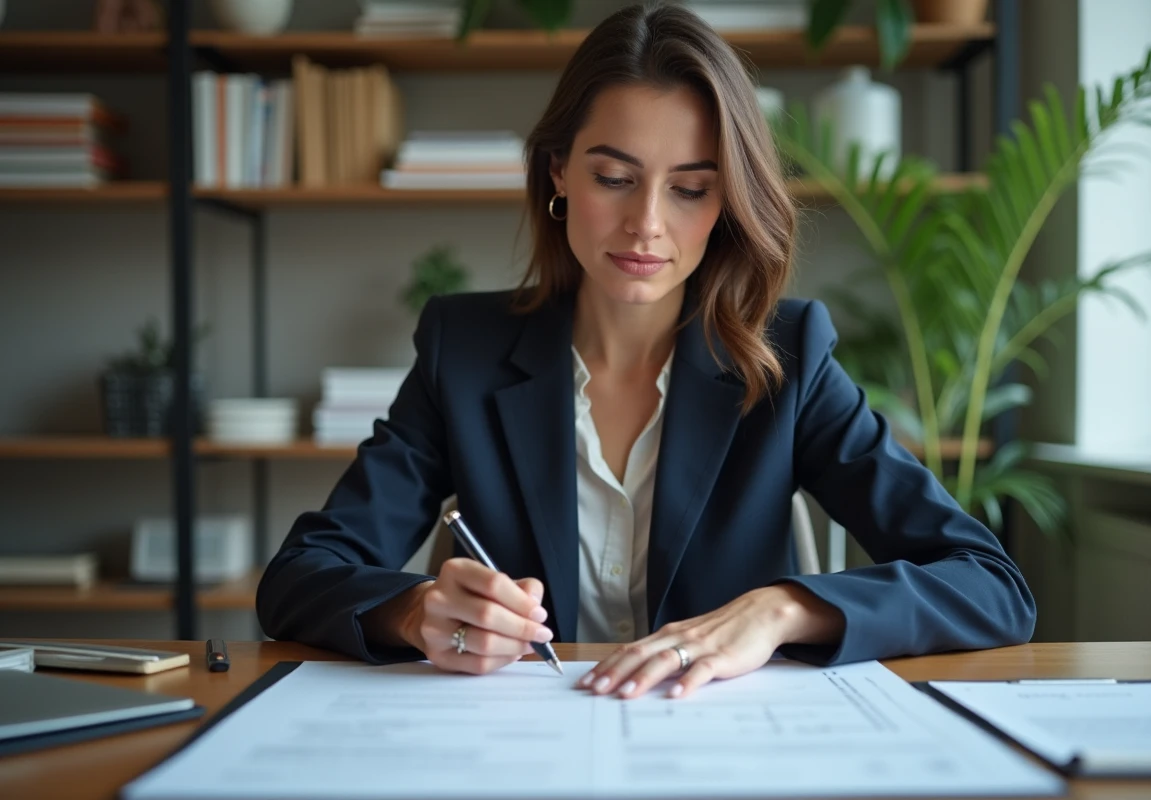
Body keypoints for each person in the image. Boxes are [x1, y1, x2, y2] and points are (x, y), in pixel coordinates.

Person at [257, 1, 1035, 701]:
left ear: (728, 200)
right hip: (520, 750)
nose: (646, 226)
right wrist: (416, 610)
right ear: (559, 170)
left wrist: (783, 608)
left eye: (690, 188)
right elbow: (298, 579)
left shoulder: (789, 357)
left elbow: (991, 586)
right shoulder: (463, 349)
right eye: (615, 177)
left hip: (718, 754)